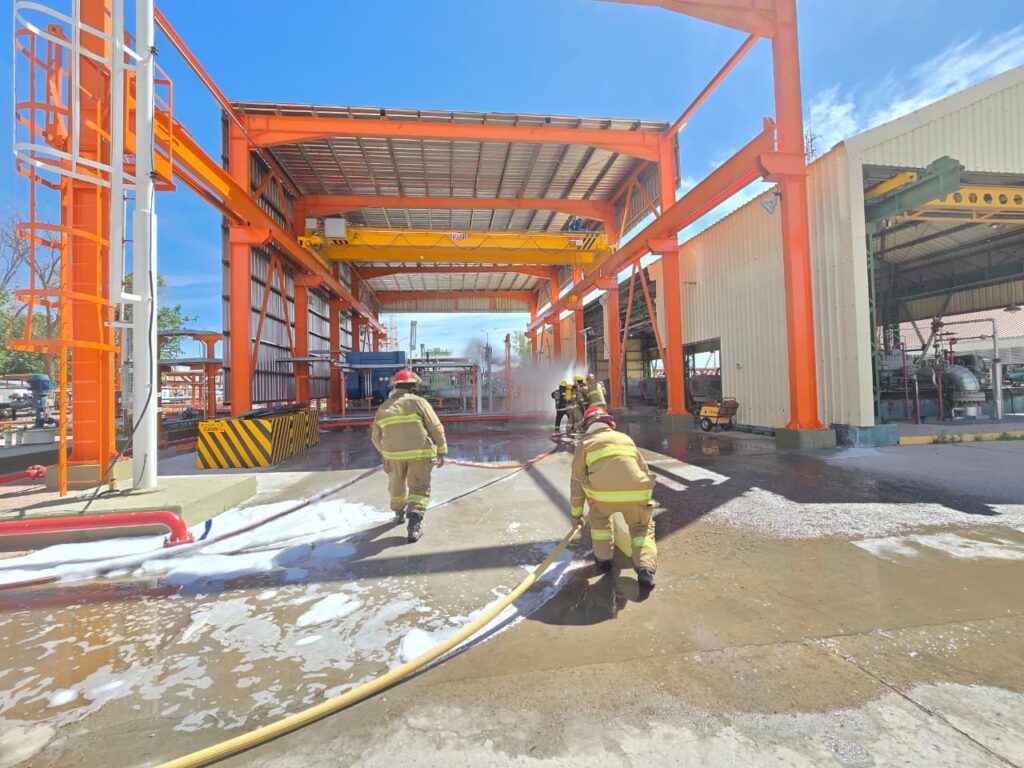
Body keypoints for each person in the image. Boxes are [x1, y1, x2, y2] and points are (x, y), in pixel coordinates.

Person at [569, 405, 657, 589]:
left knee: (600, 521)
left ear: (587, 425)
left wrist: (576, 514)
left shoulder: (584, 444)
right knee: (642, 528)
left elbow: (577, 481)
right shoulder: (625, 438)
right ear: (609, 423)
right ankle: (645, 570)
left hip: (603, 498)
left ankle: (604, 560)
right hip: (637, 495)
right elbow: (643, 469)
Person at [371, 369, 447, 543]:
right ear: (413, 387)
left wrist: (386, 454)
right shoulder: (419, 402)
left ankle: (398, 513)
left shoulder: (384, 407)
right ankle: (414, 525)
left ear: (396, 387)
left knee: (396, 485)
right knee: (419, 488)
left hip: (393, 456)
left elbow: (375, 436)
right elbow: (435, 427)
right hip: (420, 455)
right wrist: (442, 450)